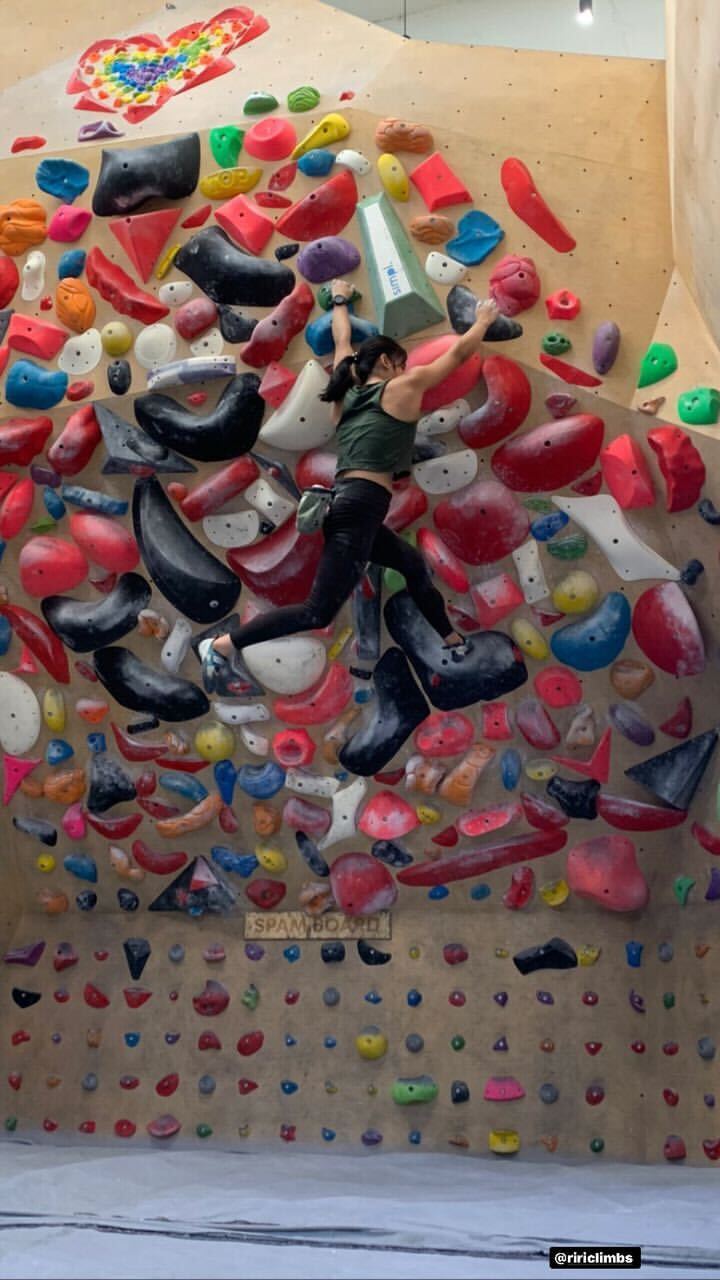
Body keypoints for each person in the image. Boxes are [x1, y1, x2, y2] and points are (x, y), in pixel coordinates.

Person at [212, 280, 500, 660]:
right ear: (386, 362)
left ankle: (449, 638)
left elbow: (342, 340)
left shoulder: (345, 393)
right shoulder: (403, 388)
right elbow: (459, 353)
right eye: (401, 363)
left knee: (413, 564)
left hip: (352, 505)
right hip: (360, 505)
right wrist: (482, 321)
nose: (406, 370)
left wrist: (341, 299)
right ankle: (225, 645)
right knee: (317, 611)